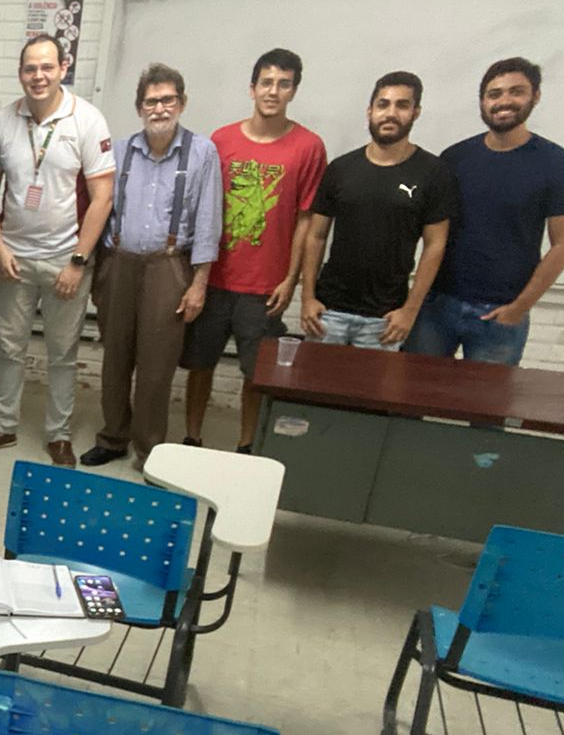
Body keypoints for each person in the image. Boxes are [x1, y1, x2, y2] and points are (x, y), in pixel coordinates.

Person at [0, 35, 115, 468]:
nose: (39, 76)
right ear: (20, 73)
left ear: (63, 68)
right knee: (9, 348)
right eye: (30, 68)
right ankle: (3, 426)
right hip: (13, 259)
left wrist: (78, 262)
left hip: (65, 261)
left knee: (62, 355)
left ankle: (58, 434)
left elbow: (102, 198)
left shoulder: (87, 119)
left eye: (47, 67)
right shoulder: (3, 122)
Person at [181, 47, 326, 453]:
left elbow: (306, 220)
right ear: (252, 88)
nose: (273, 91)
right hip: (216, 280)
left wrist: (292, 279)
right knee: (200, 365)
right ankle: (192, 436)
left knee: (256, 374)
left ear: (293, 91)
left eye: (283, 84)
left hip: (265, 287)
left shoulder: (308, 147)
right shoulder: (221, 140)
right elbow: (204, 209)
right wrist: (197, 275)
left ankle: (247, 445)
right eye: (266, 82)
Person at [81, 62, 221, 471]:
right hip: (119, 263)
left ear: (182, 103)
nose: (159, 109)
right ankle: (113, 437)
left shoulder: (202, 152)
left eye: (167, 100)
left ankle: (150, 449)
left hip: (168, 267)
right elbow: (101, 209)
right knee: (115, 358)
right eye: (150, 101)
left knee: (157, 366)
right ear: (139, 107)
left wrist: (199, 283)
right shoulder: (119, 150)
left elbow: (209, 220)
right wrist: (96, 271)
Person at [407, 57, 564, 366]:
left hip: (500, 314)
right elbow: (431, 230)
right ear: (483, 102)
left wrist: (519, 307)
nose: (504, 101)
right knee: (411, 389)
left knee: (487, 397)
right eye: (494, 94)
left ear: (535, 96)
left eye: (516, 91)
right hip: (437, 305)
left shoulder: (557, 165)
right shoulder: (455, 158)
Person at [300, 72, 456, 351]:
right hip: (328, 312)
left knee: (373, 382)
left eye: (402, 105)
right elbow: (316, 235)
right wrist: (307, 297)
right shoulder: (341, 168)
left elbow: (435, 245)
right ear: (370, 111)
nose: (391, 113)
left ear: (416, 112)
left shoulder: (433, 173)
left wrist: (410, 311)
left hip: (385, 319)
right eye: (383, 104)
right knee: (314, 381)